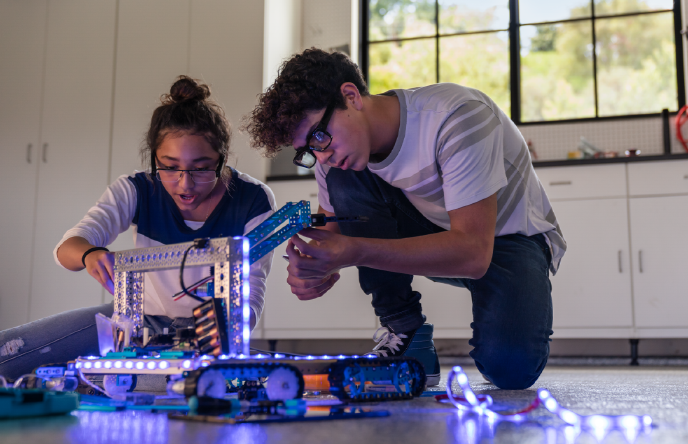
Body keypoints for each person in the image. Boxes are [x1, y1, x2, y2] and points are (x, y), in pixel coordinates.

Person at [243, 49, 566, 389]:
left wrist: (354, 251)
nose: (322, 155)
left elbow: (473, 252)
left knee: (510, 369)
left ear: (350, 97)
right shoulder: (338, 160)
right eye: (309, 150)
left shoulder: (457, 118)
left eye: (320, 137)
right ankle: (406, 331)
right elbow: (338, 229)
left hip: (507, 240)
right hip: (433, 230)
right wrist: (313, 266)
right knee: (345, 173)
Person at [0, 76, 275, 380]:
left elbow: (251, 294)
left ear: (222, 159)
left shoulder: (253, 199)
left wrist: (222, 334)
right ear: (153, 159)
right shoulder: (136, 189)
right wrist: (91, 254)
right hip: (137, 324)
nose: (185, 184)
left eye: (200, 168)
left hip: (211, 336)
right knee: (8, 353)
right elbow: (67, 250)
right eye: (169, 167)